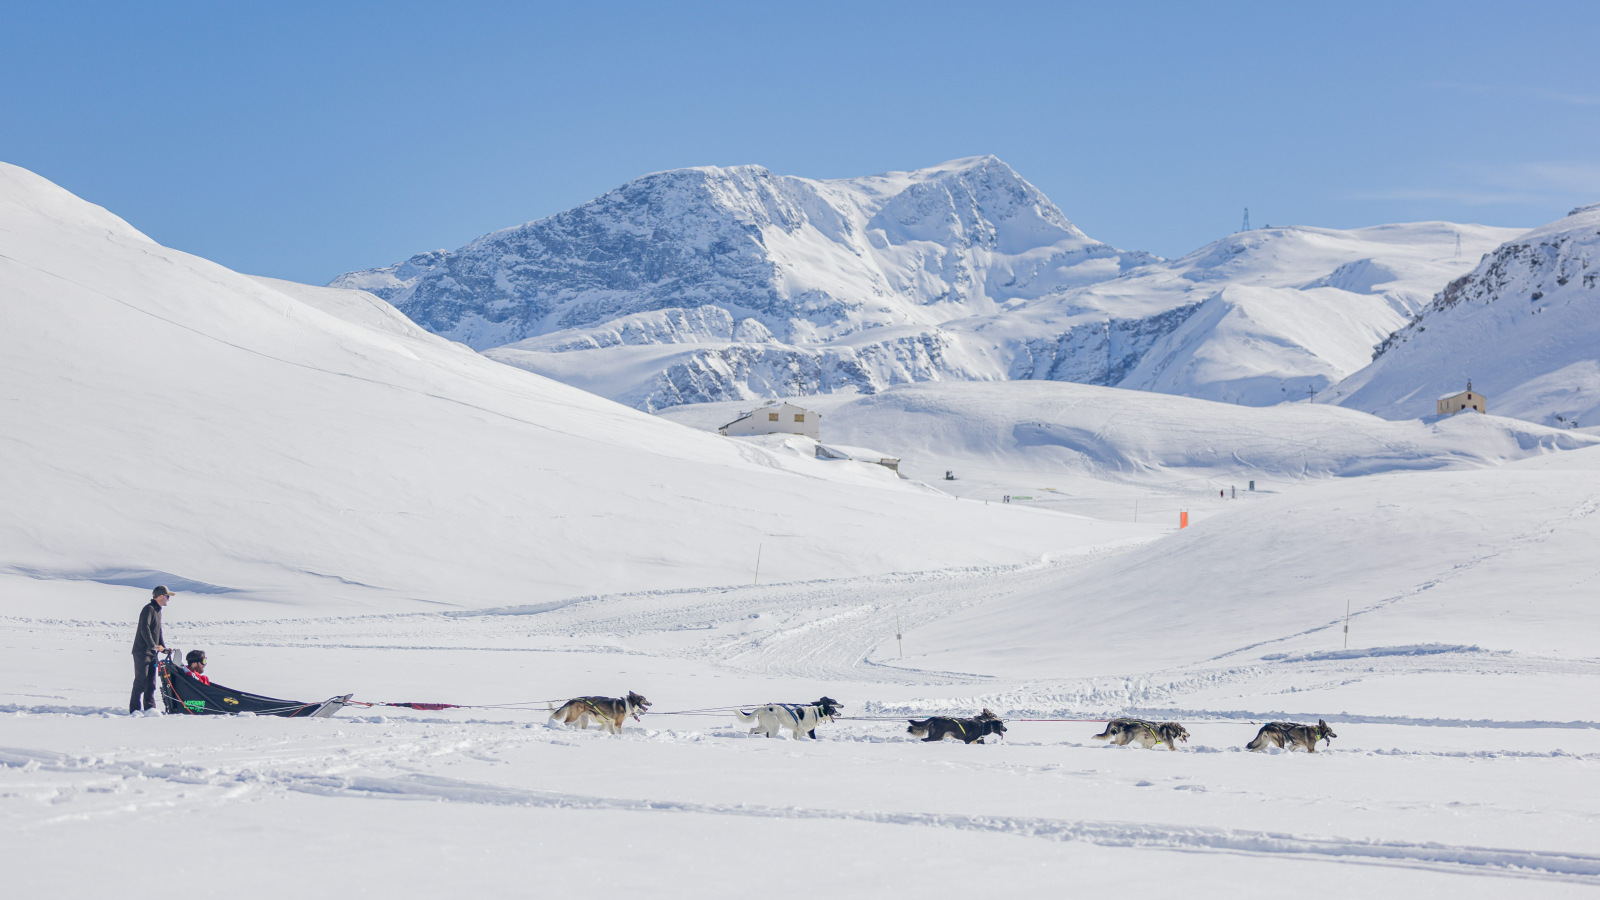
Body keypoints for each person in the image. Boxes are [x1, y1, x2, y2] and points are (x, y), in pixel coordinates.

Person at [129, 585, 174, 714]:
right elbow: (145, 629)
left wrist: (163, 648)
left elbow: (158, 631)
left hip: (152, 652)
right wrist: (153, 646)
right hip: (142, 652)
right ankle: (134, 711)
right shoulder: (148, 609)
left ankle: (150, 710)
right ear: (160, 596)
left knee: (151, 684)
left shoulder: (158, 610)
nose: (168, 599)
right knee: (140, 682)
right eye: (167, 597)